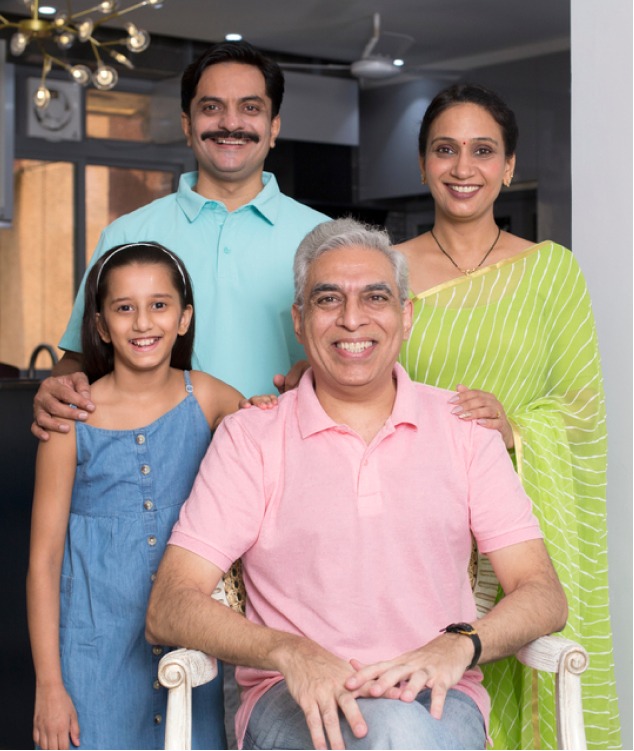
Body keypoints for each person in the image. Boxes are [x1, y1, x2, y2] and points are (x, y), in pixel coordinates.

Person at [145, 218, 567, 751]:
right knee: (389, 736)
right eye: (328, 300)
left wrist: (460, 644)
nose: (351, 319)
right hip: (292, 699)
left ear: (406, 316)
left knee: (400, 733)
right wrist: (289, 652)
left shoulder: (464, 429)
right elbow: (168, 606)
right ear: (299, 321)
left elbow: (544, 595)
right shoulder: (252, 437)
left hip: (436, 698)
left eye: (375, 297)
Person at [396, 83, 620, 749]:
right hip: (415, 525)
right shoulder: (387, 272)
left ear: (510, 166)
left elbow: (583, 413)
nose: (463, 168)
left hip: (518, 525)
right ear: (422, 163)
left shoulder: (552, 272)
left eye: (482, 151)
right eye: (445, 150)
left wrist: (514, 426)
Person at [26, 242, 274, 750]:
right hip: (91, 658)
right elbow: (44, 561)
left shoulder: (208, 398)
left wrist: (269, 410)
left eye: (159, 305)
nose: (143, 323)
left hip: (194, 653)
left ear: (184, 318)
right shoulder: (70, 421)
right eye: (124, 308)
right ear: (99, 326)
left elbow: (271, 454)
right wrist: (49, 685)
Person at [31, 40, 329, 441]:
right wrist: (56, 388)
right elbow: (80, 359)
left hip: (286, 457)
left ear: (273, 127)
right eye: (211, 107)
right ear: (188, 125)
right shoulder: (127, 234)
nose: (230, 123)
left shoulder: (328, 240)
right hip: (152, 468)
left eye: (250, 107)